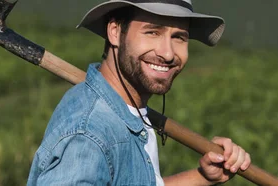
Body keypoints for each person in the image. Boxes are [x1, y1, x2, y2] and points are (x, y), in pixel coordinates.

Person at [27, 0, 251, 185]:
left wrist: (203, 176)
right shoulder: (88, 136)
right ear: (115, 32)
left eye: (179, 37)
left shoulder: (122, 110)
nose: (168, 53)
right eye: (152, 32)